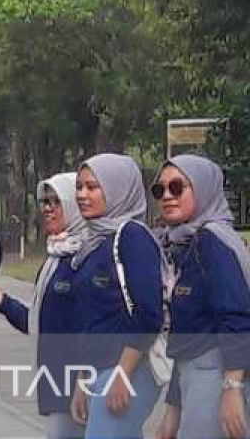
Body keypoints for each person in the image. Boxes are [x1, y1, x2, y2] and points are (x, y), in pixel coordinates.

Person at [0, 173, 86, 438]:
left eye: (57, 201)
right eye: (44, 201)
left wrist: (85, 381)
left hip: (81, 385)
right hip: (56, 380)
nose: (48, 208)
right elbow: (35, 322)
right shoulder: (56, 257)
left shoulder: (87, 258)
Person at [152, 155, 250, 439]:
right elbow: (184, 335)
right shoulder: (184, 245)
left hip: (215, 374)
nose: (167, 196)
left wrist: (232, 389)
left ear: (204, 189)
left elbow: (237, 316)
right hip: (191, 375)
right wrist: (173, 410)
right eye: (160, 190)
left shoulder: (213, 242)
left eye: (177, 187)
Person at [69, 153, 165, 439]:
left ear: (117, 189)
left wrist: (123, 374)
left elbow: (148, 314)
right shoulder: (94, 243)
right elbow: (91, 319)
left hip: (129, 367)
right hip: (98, 367)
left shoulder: (133, 237)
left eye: (92, 187)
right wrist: (82, 380)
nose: (82, 195)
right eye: (79, 187)